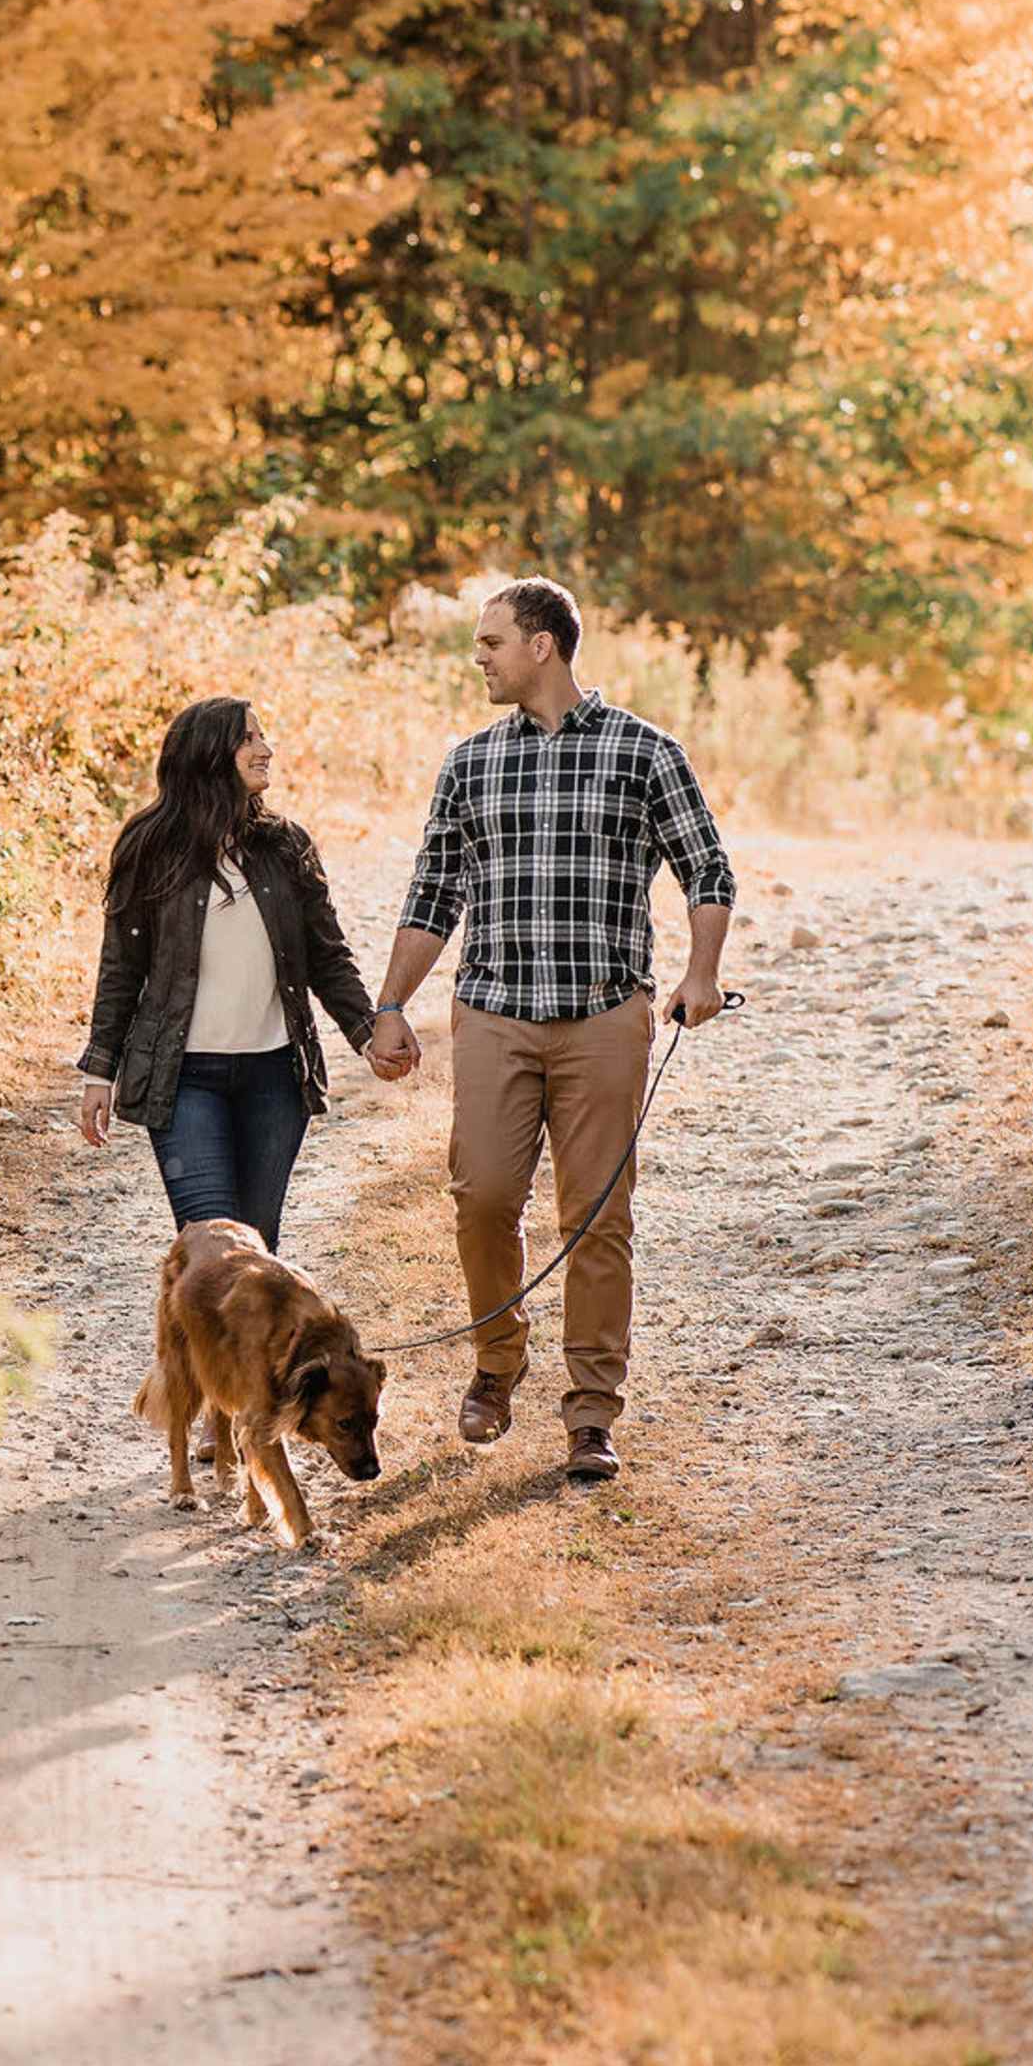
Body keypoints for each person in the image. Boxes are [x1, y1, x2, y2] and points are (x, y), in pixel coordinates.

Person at [364, 578, 734, 1484]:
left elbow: (708, 870)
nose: (479, 657)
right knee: (482, 1195)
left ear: (543, 646)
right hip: (492, 1011)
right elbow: (432, 894)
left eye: (491, 641)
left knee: (598, 1218)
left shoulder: (644, 752)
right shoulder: (471, 763)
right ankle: (499, 1359)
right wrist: (390, 1003)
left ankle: (591, 1412)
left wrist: (701, 974)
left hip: (605, 1017)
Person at [73, 697, 382, 1255]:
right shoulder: (149, 847)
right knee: (214, 1251)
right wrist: (100, 1069)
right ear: (209, 753)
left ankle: (239, 1348)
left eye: (263, 737)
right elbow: (121, 967)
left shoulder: (286, 846)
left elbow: (327, 956)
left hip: (275, 1078)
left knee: (258, 1250)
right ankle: (195, 1345)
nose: (266, 750)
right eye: (250, 739)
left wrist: (368, 1031)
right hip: (185, 1079)